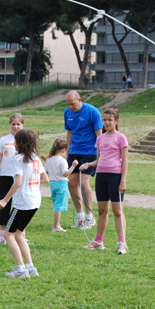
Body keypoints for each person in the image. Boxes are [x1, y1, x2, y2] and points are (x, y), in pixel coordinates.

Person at [0, 129, 49, 279]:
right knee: (19, 233)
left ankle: (20, 269)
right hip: (35, 201)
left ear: (18, 143)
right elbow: (45, 179)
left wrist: (5, 200)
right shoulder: (36, 158)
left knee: (8, 234)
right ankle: (30, 267)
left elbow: (18, 181)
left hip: (22, 203)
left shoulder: (17, 159)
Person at [79, 108, 129, 255]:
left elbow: (125, 162)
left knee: (117, 211)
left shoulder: (121, 138)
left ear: (116, 121)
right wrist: (89, 164)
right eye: (104, 120)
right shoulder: (100, 138)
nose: (106, 123)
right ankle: (98, 241)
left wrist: (123, 181)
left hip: (115, 177)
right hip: (101, 176)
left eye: (110, 120)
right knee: (102, 210)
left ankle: (122, 243)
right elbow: (99, 159)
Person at [64, 90, 103, 230]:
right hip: (74, 152)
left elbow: (99, 135)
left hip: (90, 152)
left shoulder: (92, 112)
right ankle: (80, 216)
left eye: (72, 104)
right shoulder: (67, 113)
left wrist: (100, 154)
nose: (70, 107)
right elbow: (69, 133)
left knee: (83, 182)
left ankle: (89, 216)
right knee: (71, 182)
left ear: (79, 100)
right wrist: (67, 151)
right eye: (68, 104)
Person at [0, 113, 25, 245]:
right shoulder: (3, 140)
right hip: (5, 177)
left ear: (23, 125)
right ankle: (2, 236)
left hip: (20, 178)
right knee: (4, 205)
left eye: (18, 124)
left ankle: (20, 235)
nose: (16, 126)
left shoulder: (26, 140)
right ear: (10, 125)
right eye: (13, 124)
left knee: (20, 206)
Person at [44, 139, 79, 232]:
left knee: (56, 203)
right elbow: (65, 173)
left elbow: (46, 171)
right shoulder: (62, 161)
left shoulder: (49, 159)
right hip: (61, 184)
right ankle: (56, 226)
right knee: (58, 206)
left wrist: (45, 161)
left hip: (52, 184)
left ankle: (57, 224)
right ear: (64, 150)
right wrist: (73, 166)